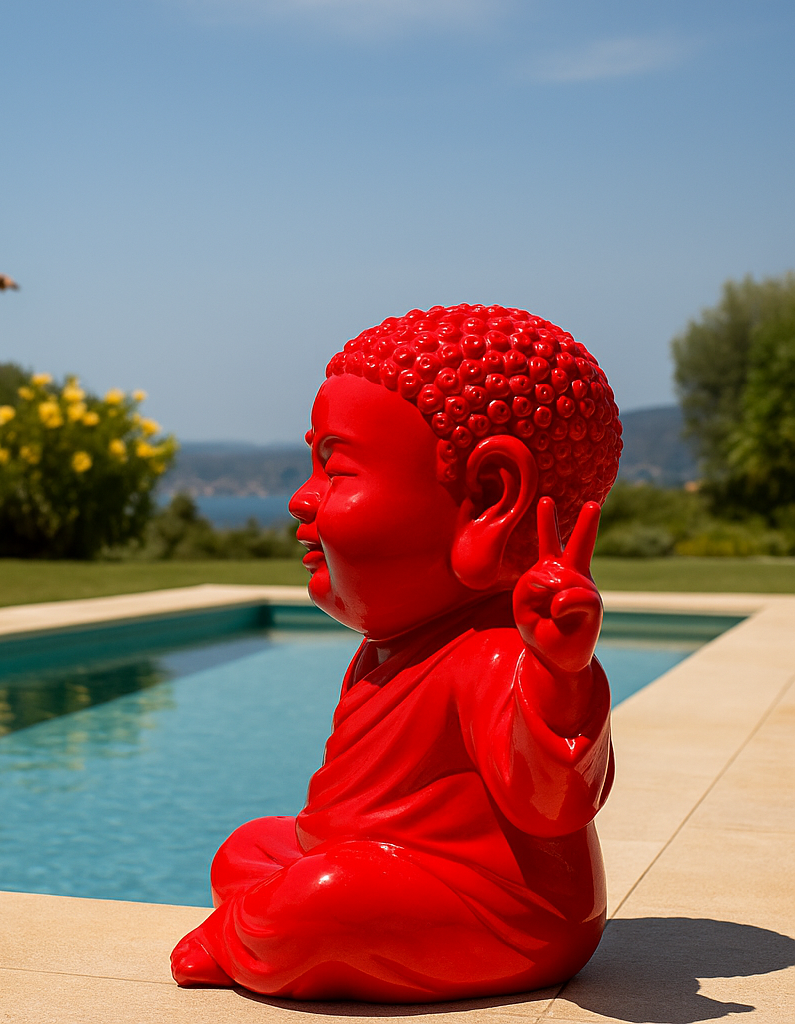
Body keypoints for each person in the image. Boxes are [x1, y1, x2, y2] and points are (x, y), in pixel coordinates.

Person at [171, 303, 623, 1002]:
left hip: (507, 915)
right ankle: (273, 916)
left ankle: (246, 938)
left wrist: (561, 673)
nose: (301, 498)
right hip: (382, 869)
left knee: (318, 899)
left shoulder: (496, 655)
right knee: (250, 849)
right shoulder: (395, 648)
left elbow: (554, 806)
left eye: (337, 471)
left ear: (487, 498)